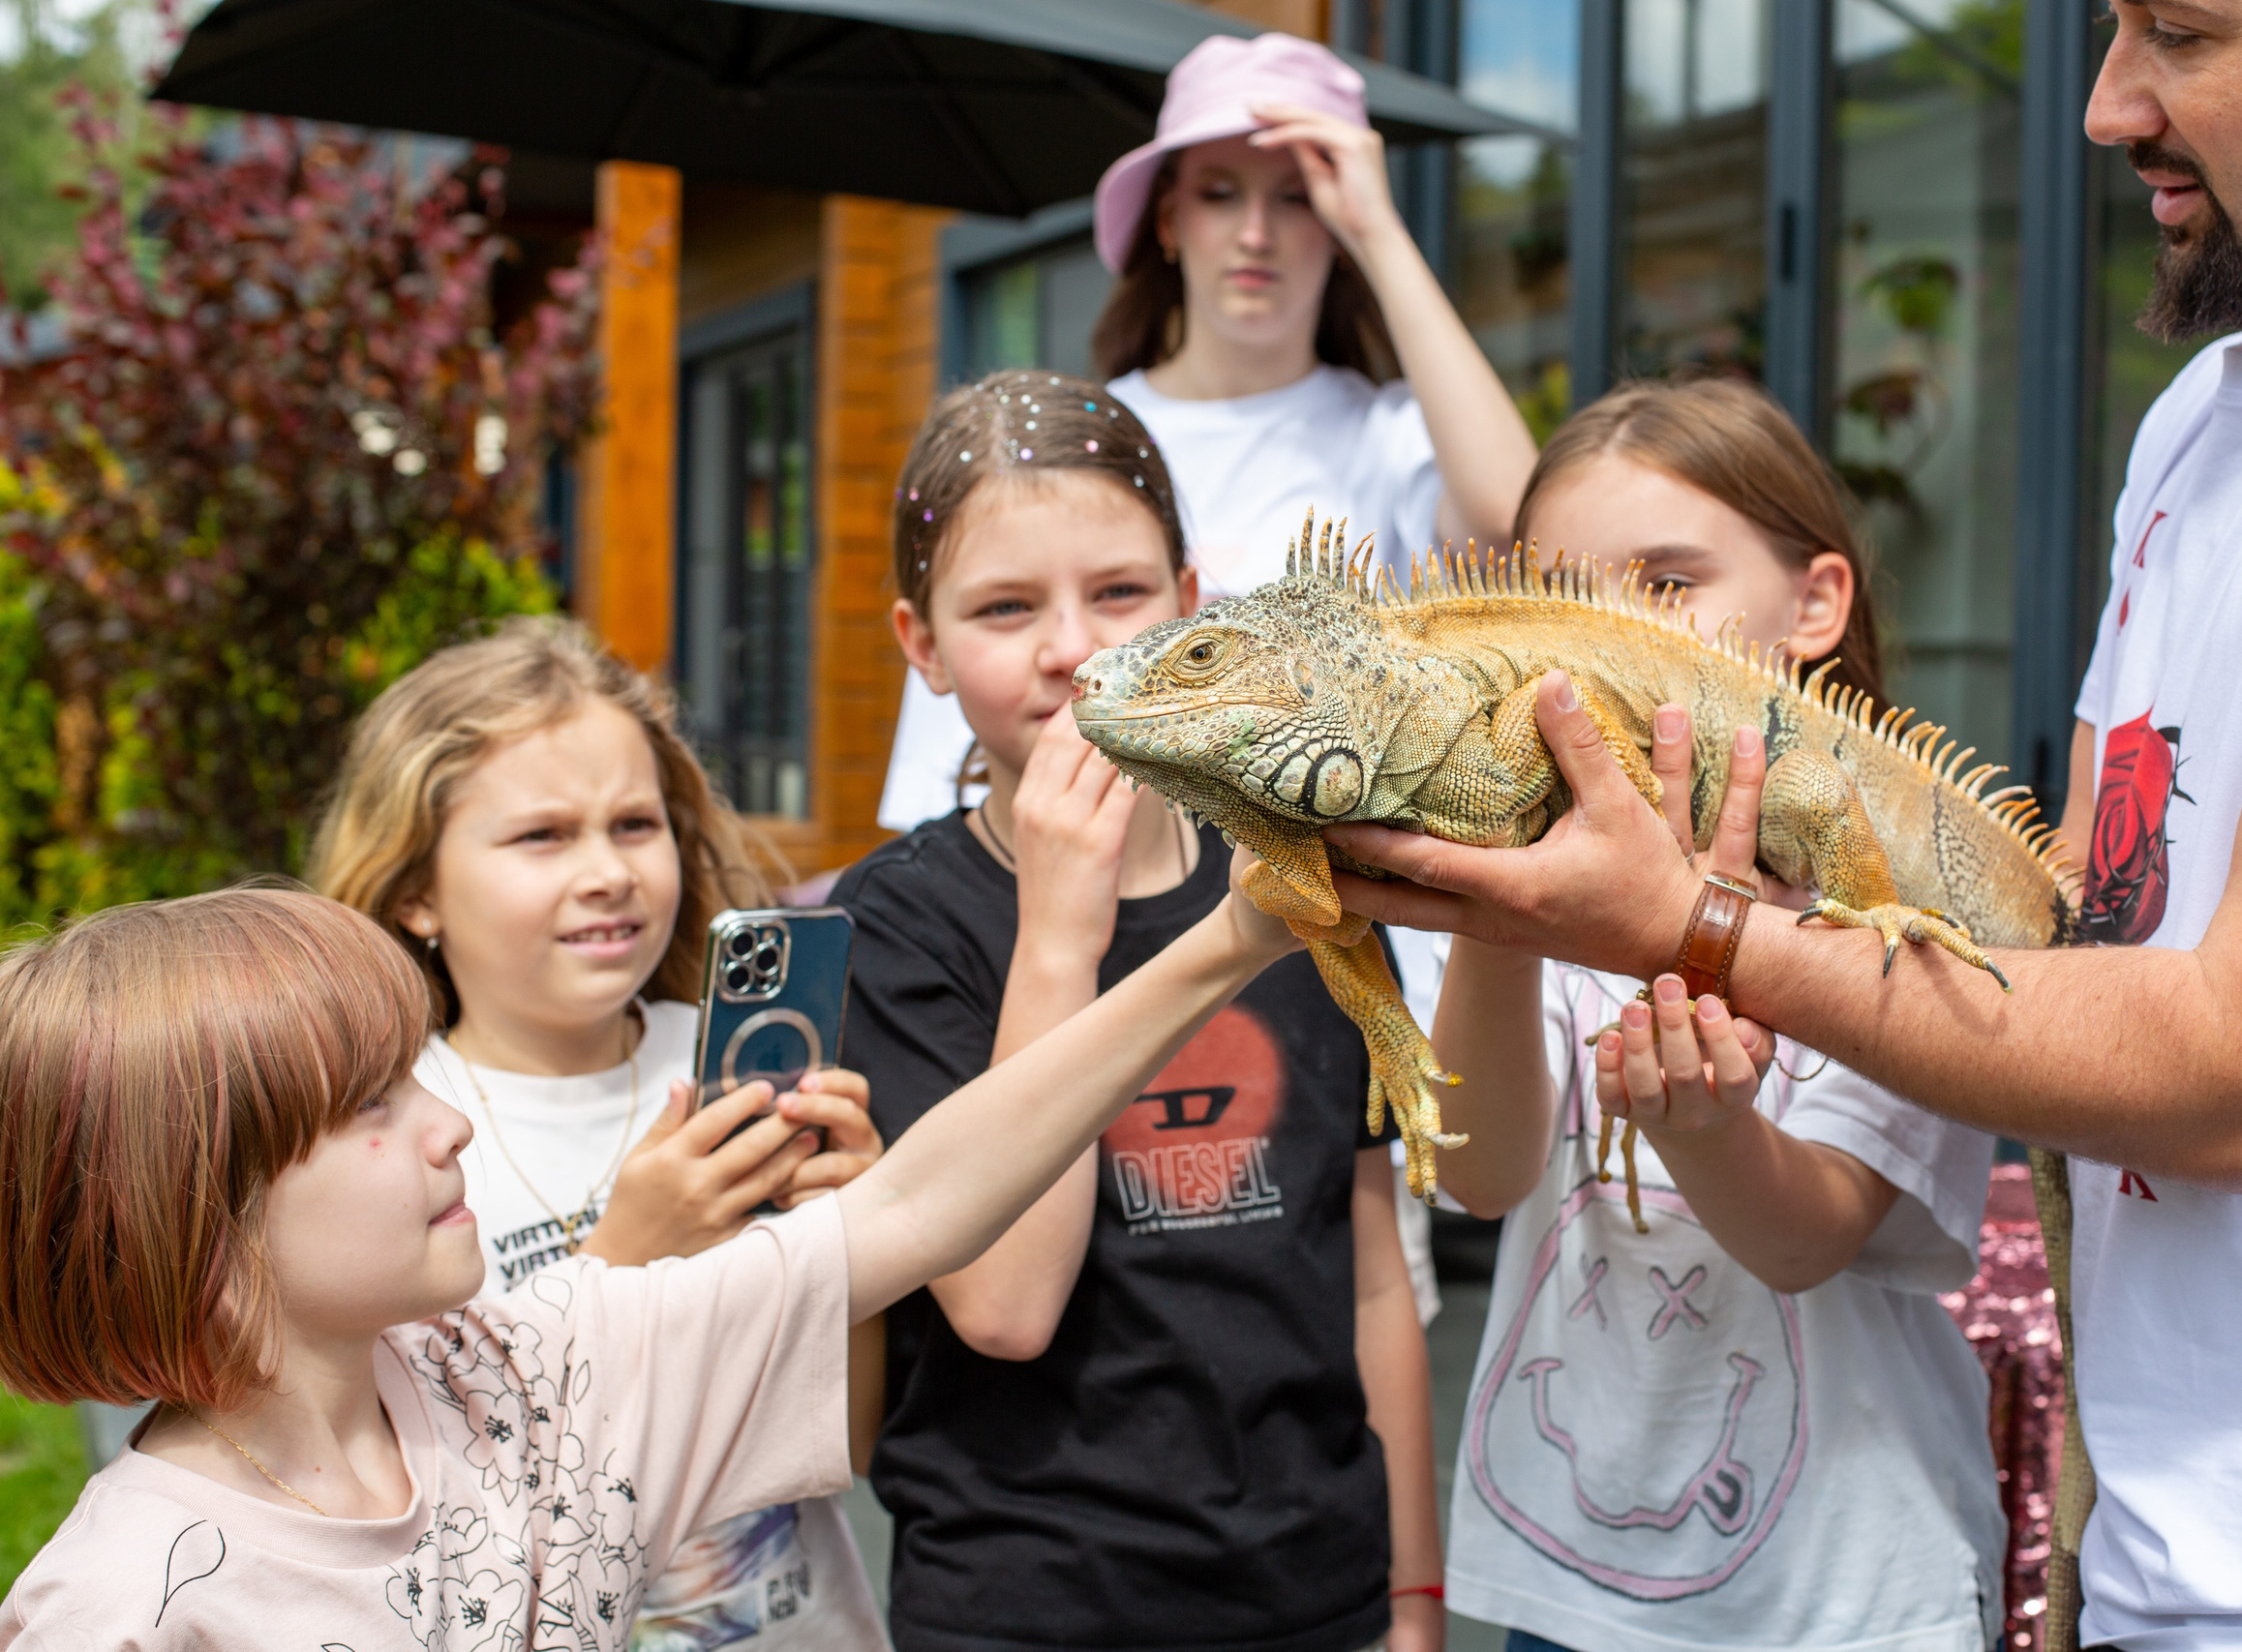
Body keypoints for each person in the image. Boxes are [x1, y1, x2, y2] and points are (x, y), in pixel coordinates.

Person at [1325, 4, 2242, 1645]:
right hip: (2175, 1543)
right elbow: (2088, 917)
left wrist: (1697, 931)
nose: (2104, 105)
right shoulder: (2195, 421)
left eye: (2187, 33)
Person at [0, 868, 1301, 1646]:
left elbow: (913, 1204)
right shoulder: (115, 1607)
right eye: (369, 1108)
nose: (447, 1120)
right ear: (199, 1227)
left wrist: (1237, 935)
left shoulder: (538, 1368)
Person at [837, 373, 1444, 1652]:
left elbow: (1376, 1273)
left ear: (1190, 601)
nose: (1074, 649)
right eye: (1005, 607)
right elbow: (1004, 1304)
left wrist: (1412, 1595)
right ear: (923, 644)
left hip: (1314, 1595)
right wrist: (1061, 928)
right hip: (1024, 1606)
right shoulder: (898, 924)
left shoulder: (1306, 868)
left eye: (1118, 594)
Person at [1429, 380, 2003, 1652]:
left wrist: (1700, 1122)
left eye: (1666, 581)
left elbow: (1808, 1236)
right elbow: (1480, 1175)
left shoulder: (1898, 890)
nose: (1606, 636)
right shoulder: (1542, 872)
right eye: (1562, 594)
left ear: (1816, 604)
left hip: (1849, 1599)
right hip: (1567, 1594)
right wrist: (1496, 913)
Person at [307, 618, 892, 1652]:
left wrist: (853, 1239)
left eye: (634, 824)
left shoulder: (727, 1075)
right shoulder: (388, 1131)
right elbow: (425, 1487)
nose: (608, 871)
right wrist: (624, 1258)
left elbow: (842, 1440)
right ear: (415, 890)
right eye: (542, 836)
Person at [876, 30, 1534, 838]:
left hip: (1351, 922)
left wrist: (1379, 229)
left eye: (1296, 197)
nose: (1255, 232)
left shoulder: (1394, 433)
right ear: (1168, 219)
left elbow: (1515, 521)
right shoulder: (1063, 447)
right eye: (1220, 193)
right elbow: (946, 779)